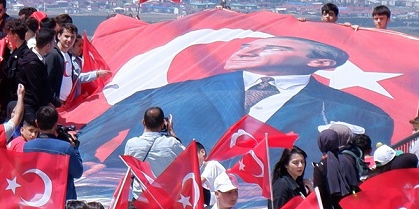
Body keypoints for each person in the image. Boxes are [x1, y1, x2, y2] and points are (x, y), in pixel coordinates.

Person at [81, 37, 394, 166]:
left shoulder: (361, 115)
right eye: (249, 46)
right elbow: (88, 139)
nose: (249, 50)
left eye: (271, 48)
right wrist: (86, 165)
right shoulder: (176, 93)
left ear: (321, 63)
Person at [24, 106, 84, 200]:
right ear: (56, 124)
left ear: (36, 123)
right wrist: (75, 148)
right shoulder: (66, 148)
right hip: (62, 203)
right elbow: (77, 173)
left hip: (38, 201)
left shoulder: (27, 147)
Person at [122, 106, 184, 171]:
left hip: (141, 181)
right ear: (163, 124)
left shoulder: (131, 144)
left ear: (143, 122)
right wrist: (171, 131)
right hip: (163, 181)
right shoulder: (172, 143)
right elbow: (189, 157)